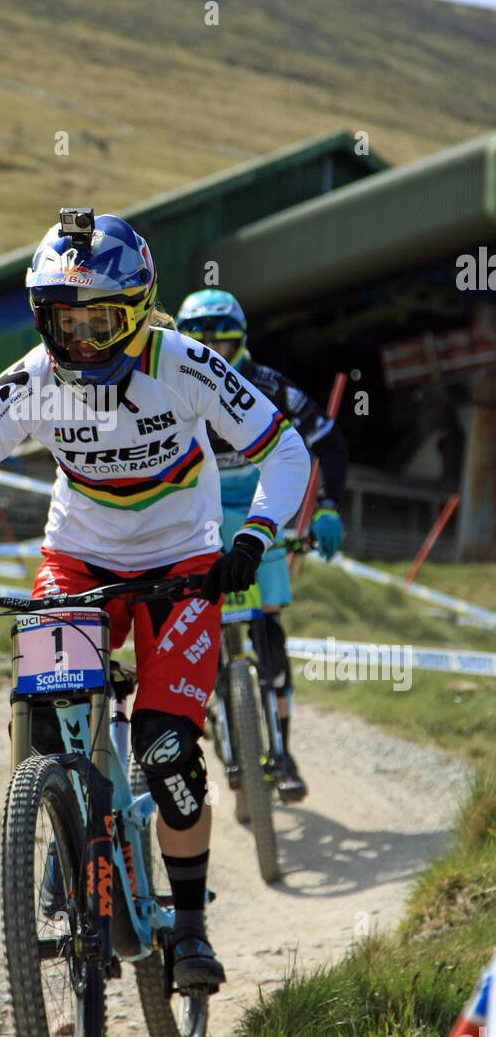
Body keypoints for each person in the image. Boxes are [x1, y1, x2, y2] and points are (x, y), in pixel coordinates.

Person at [0, 211, 310, 991]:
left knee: (168, 751)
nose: (78, 342)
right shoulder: (32, 381)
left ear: (137, 313)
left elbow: (286, 449)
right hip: (77, 559)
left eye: (99, 321)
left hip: (186, 562)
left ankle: (192, 928)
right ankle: (62, 837)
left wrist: (255, 539)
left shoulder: (184, 362)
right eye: (60, 322)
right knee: (48, 710)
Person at [175, 288, 348, 800]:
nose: (212, 355)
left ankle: (283, 748)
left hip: (260, 512)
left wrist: (329, 506)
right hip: (197, 512)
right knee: (187, 625)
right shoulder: (167, 381)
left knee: (268, 625)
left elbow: (329, 439)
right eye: (198, 342)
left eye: (223, 345)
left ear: (243, 343)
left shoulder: (269, 384)